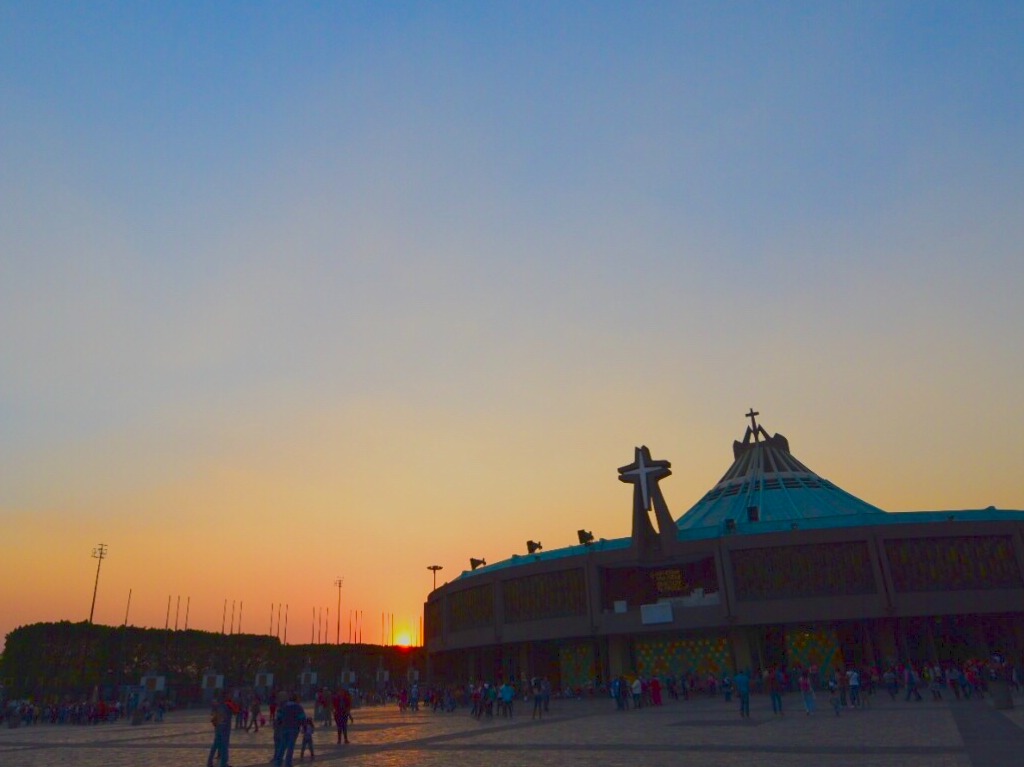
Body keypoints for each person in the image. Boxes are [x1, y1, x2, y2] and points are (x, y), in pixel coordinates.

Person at [273, 693, 307, 767]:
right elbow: (302, 718)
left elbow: (278, 718)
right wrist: (305, 728)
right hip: (294, 729)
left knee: (282, 746)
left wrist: (280, 724)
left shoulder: (283, 706)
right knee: (290, 747)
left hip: (284, 729)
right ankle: (288, 763)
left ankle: (277, 763)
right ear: (296, 699)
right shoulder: (298, 707)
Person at [207, 693, 235, 767]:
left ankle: (209, 762)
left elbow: (213, 714)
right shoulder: (228, 704)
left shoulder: (217, 705)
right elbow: (236, 711)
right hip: (225, 727)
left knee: (215, 745)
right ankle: (223, 764)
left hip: (218, 726)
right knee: (224, 746)